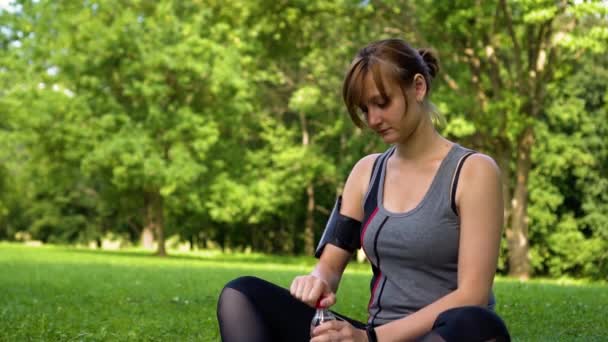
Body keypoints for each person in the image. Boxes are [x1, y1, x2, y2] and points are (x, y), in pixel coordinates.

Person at [217, 38, 511, 342]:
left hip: (439, 335)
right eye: (364, 109)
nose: (373, 120)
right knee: (242, 294)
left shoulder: (474, 171)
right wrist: (316, 281)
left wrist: (371, 339)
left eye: (382, 104)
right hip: (372, 335)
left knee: (477, 322)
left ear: (419, 87)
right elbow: (329, 267)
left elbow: (473, 293)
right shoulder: (365, 173)